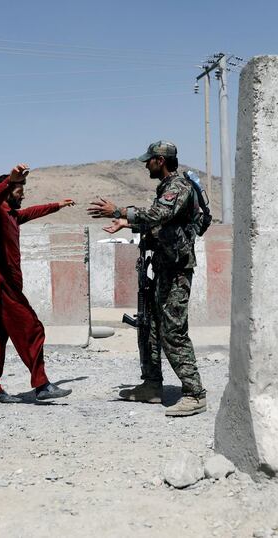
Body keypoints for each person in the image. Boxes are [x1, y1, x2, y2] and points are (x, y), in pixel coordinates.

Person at [87, 141, 206, 416]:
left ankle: (194, 393)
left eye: (149, 160)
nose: (146, 165)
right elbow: (158, 222)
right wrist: (127, 224)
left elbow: (158, 214)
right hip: (162, 266)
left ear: (160, 160)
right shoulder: (165, 187)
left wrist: (120, 212)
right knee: (149, 327)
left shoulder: (178, 187)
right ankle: (152, 386)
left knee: (173, 330)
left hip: (176, 270)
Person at [0, 163, 76, 403]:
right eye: (19, 190)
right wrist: (8, 181)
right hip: (4, 286)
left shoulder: (12, 215)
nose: (23, 194)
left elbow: (33, 212)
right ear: (7, 190)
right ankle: (42, 384)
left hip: (8, 286)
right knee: (33, 329)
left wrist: (57, 205)